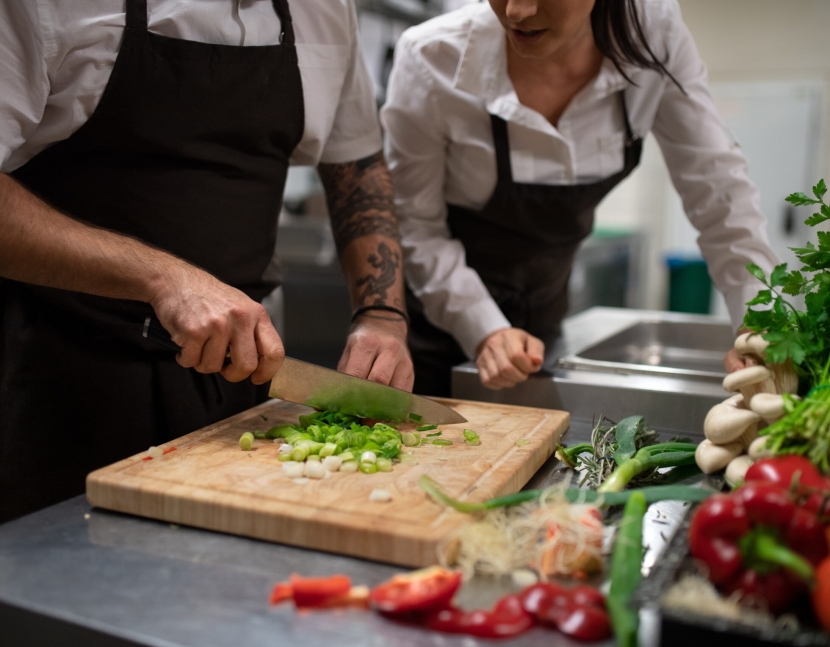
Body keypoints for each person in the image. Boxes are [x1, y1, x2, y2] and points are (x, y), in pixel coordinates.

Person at [0, 0, 413, 523]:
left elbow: (356, 163)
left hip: (236, 391)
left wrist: (382, 313)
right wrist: (163, 277)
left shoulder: (327, 8)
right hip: (56, 384)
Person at [381, 0, 779, 397]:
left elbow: (718, 189)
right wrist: (483, 327)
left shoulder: (653, 32)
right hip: (436, 330)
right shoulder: (432, 57)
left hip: (545, 327)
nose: (517, 11)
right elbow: (416, 226)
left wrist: (758, 322)